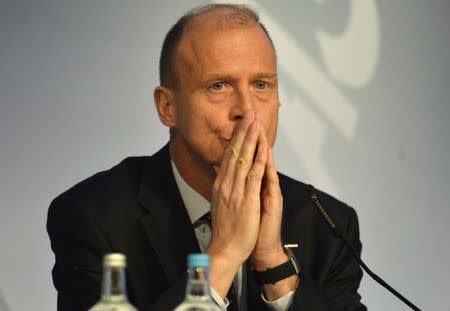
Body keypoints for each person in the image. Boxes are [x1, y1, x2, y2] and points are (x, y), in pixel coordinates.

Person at [47, 4, 366, 311]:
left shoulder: (327, 225)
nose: (247, 110)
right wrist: (223, 255)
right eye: (219, 86)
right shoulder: (92, 218)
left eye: (261, 84)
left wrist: (275, 266)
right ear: (167, 107)